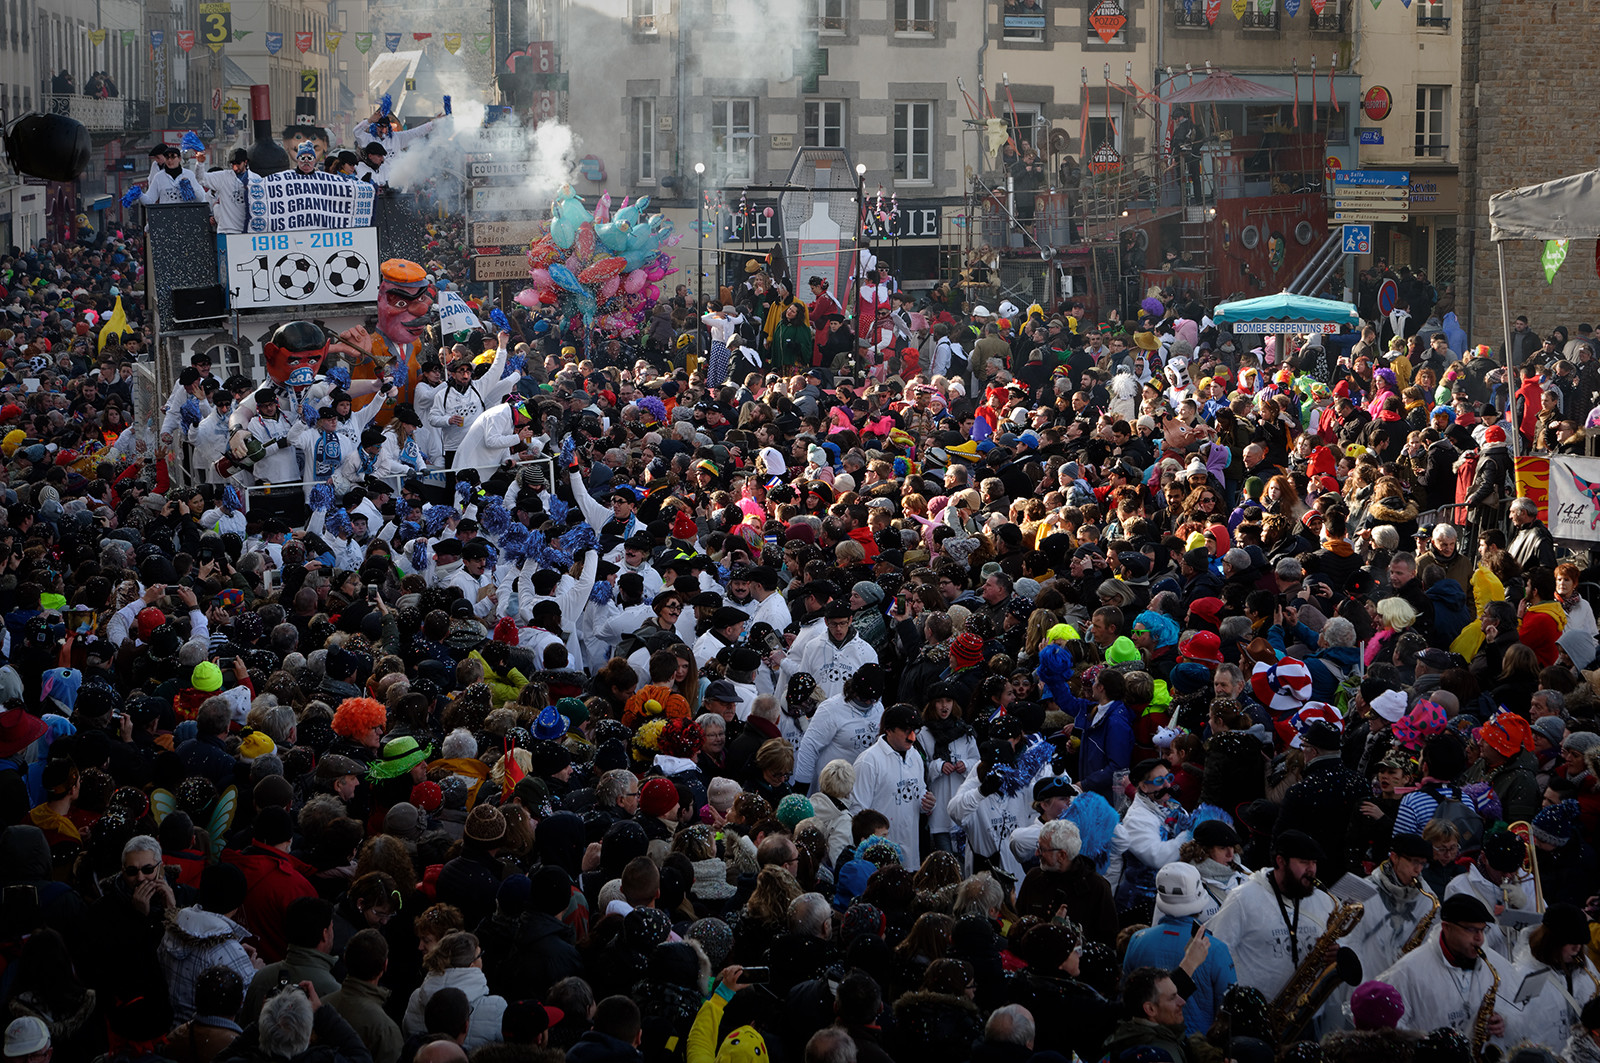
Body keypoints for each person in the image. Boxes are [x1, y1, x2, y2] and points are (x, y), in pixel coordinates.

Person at [1204, 830, 1338, 1004]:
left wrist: (1338, 951)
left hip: (1312, 1008)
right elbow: (1217, 952)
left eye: (1314, 863)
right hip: (1259, 1009)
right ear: (1280, 861)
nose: (1311, 870)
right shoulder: (1242, 898)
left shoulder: (1324, 900)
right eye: (1304, 862)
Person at [1375, 893, 1510, 1042]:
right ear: (1447, 928)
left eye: (1483, 930)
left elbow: (1516, 1006)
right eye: (1471, 929)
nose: (1480, 939)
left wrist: (1502, 1018)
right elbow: (1389, 1025)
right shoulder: (1408, 970)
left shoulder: (1490, 962)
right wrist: (1427, 1044)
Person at [848, 704, 930, 868]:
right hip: (879, 860)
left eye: (915, 731)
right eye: (906, 730)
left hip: (910, 855)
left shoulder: (915, 756)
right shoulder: (869, 761)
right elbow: (858, 812)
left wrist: (926, 802)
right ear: (889, 730)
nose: (912, 737)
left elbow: (919, 792)